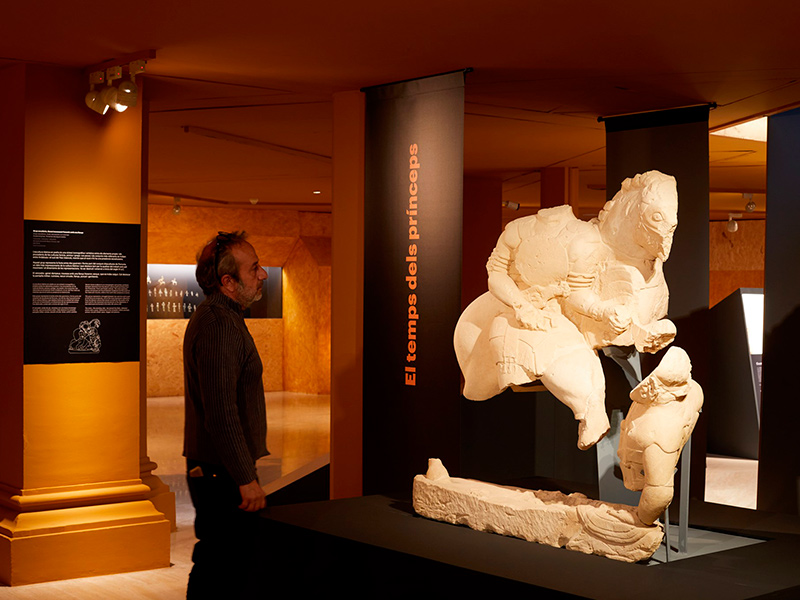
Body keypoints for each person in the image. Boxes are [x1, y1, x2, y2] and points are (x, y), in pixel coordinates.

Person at [183, 230, 269, 598]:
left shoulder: (224, 318)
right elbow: (221, 412)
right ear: (228, 282)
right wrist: (244, 476)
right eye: (255, 269)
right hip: (220, 473)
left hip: (219, 468)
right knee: (221, 566)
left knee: (225, 564)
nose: (263, 275)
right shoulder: (219, 324)